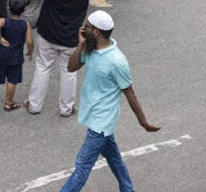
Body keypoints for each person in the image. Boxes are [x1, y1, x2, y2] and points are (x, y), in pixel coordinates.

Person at [61, 10, 160, 191]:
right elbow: (71, 67)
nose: (82, 29)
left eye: (87, 27)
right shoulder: (89, 48)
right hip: (93, 114)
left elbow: (130, 93)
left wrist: (143, 122)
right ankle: (127, 189)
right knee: (113, 156)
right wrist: (80, 45)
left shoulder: (117, 61)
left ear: (96, 32)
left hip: (102, 121)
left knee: (82, 166)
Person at [25, 0, 105, 116]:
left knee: (43, 67)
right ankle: (66, 108)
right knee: (69, 72)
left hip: (47, 35)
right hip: (71, 39)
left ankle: (34, 105)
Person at [0, 0, 33, 111]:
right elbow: (30, 42)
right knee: (12, 80)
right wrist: (30, 52)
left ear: (8, 8)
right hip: (16, 57)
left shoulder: (3, 21)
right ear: (23, 10)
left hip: (2, 54)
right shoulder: (25, 24)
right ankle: (9, 103)